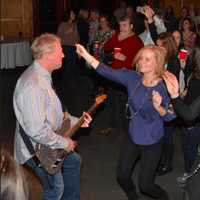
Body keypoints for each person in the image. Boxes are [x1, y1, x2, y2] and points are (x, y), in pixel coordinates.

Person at [75, 44, 176, 200]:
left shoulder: (164, 87)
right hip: (133, 136)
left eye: (147, 59)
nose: (142, 62)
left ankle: (164, 197)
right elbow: (106, 71)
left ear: (157, 63)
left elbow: (171, 116)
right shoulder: (132, 78)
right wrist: (86, 55)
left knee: (146, 185)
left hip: (152, 141)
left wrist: (159, 107)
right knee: (122, 176)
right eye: (141, 58)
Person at [13, 33, 92, 200]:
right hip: (37, 150)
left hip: (48, 141)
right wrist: (65, 142)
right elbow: (37, 131)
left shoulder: (43, 76)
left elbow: (54, 111)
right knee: (56, 190)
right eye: (60, 51)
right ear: (48, 55)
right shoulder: (33, 86)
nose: (64, 54)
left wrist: (77, 121)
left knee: (74, 161)